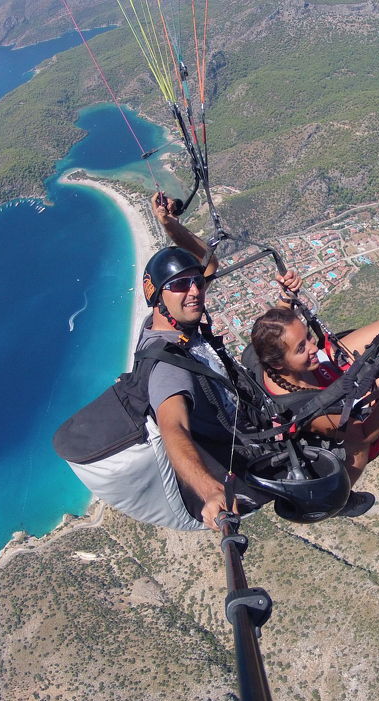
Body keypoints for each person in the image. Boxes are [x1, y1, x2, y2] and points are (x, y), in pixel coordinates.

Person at [137, 191, 295, 530]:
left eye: (196, 284)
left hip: (250, 399)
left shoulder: (176, 319)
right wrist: (211, 492)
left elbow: (207, 264)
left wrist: (170, 224)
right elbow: (173, 429)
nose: (194, 290)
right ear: (158, 296)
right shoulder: (165, 364)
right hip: (249, 442)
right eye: (181, 284)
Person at [249, 305, 379, 494]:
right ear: (278, 364)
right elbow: (365, 435)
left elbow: (279, 332)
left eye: (308, 336)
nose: (313, 347)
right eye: (301, 348)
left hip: (326, 377)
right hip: (349, 410)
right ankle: (345, 498)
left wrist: (285, 300)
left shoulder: (262, 352)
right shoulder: (307, 409)